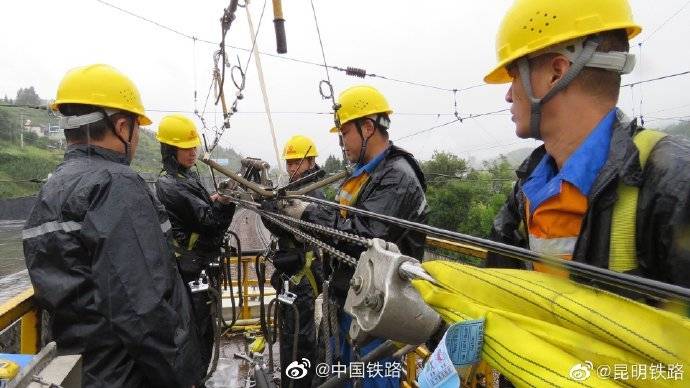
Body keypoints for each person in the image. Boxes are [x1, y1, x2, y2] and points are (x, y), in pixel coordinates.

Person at [485, 0, 690, 289]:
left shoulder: (675, 185)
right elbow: (498, 292)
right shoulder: (526, 190)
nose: (508, 95)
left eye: (514, 75)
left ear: (556, 73)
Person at [22, 64, 202, 387]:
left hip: (81, 371)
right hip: (129, 377)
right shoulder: (116, 185)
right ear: (122, 127)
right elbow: (145, 312)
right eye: (136, 127)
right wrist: (185, 378)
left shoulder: (50, 190)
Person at [269, 85, 428, 387]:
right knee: (345, 375)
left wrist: (306, 212)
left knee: (373, 377)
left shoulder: (397, 176)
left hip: (380, 311)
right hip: (353, 302)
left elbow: (362, 237)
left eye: (345, 133)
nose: (342, 142)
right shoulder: (362, 175)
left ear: (368, 127)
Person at [154, 113, 236, 378]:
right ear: (170, 149)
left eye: (193, 146)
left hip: (197, 264)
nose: (192, 152)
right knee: (198, 329)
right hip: (190, 268)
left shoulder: (185, 178)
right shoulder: (171, 185)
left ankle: (198, 375)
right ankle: (196, 379)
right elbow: (209, 221)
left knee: (204, 325)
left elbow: (199, 208)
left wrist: (214, 198)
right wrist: (226, 201)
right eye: (185, 147)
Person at [263, 135, 325, 388]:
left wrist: (271, 211)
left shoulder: (315, 193)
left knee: (301, 335)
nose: (291, 168)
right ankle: (293, 381)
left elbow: (292, 228)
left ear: (311, 161)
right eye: (289, 163)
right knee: (291, 332)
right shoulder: (294, 189)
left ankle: (301, 383)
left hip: (303, 274)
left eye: (297, 162)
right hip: (294, 274)